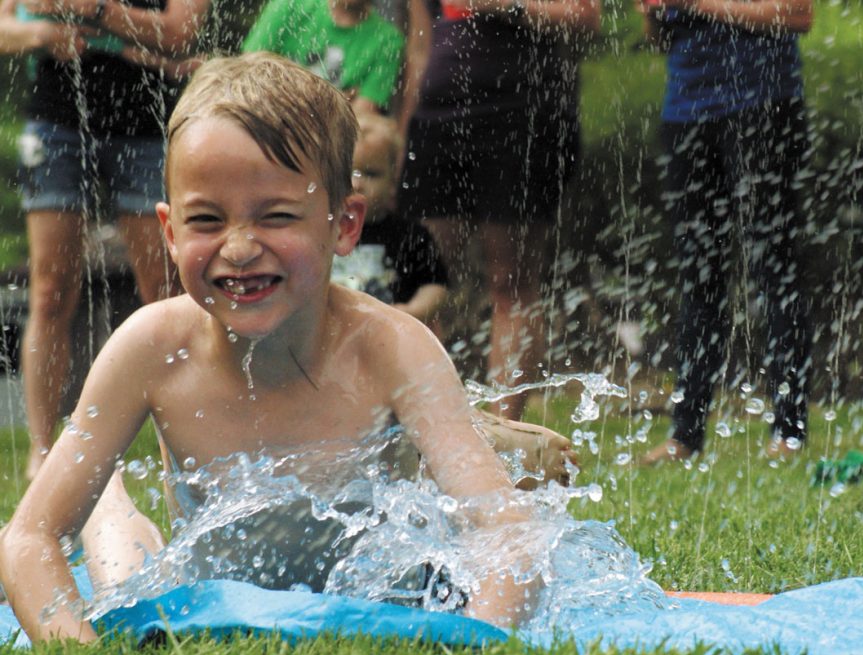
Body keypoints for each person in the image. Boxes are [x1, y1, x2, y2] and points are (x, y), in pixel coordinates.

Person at [0, 53, 558, 643]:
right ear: (169, 231)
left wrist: (478, 640)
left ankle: (464, 434)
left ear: (343, 224)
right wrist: (81, 653)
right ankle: (107, 496)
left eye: (278, 216)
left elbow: (506, 531)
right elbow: (29, 538)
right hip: (210, 588)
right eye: (207, 220)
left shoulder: (390, 348)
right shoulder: (151, 347)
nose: (239, 248)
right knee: (126, 585)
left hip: (374, 586)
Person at [2, 0, 211, 481]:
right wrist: (39, 37)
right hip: (56, 121)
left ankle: (185, 439)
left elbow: (182, 34)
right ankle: (42, 451)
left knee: (168, 287)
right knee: (51, 288)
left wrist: (95, 11)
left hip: (144, 124)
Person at [396, 0, 599, 420]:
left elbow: (584, 19)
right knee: (426, 281)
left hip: (522, 111)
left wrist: (506, 5)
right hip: (437, 116)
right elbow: (420, 43)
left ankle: (502, 432)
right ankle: (429, 425)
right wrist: (404, 131)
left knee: (511, 280)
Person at [638, 0, 813, 465]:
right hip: (686, 113)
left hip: (764, 105)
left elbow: (798, 15)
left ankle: (789, 429)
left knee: (774, 267)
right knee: (699, 278)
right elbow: (659, 39)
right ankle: (685, 435)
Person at [335, 112, 449, 323]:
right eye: (348, 173)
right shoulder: (324, 232)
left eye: (371, 174)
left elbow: (435, 284)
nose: (357, 184)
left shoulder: (410, 235)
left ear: (393, 180)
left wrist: (414, 310)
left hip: (389, 335)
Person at [242, 0, 405, 116]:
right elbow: (247, 72)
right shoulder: (290, 5)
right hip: (265, 114)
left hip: (325, 140)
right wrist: (336, 100)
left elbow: (361, 116)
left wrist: (282, 84)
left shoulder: (388, 40)